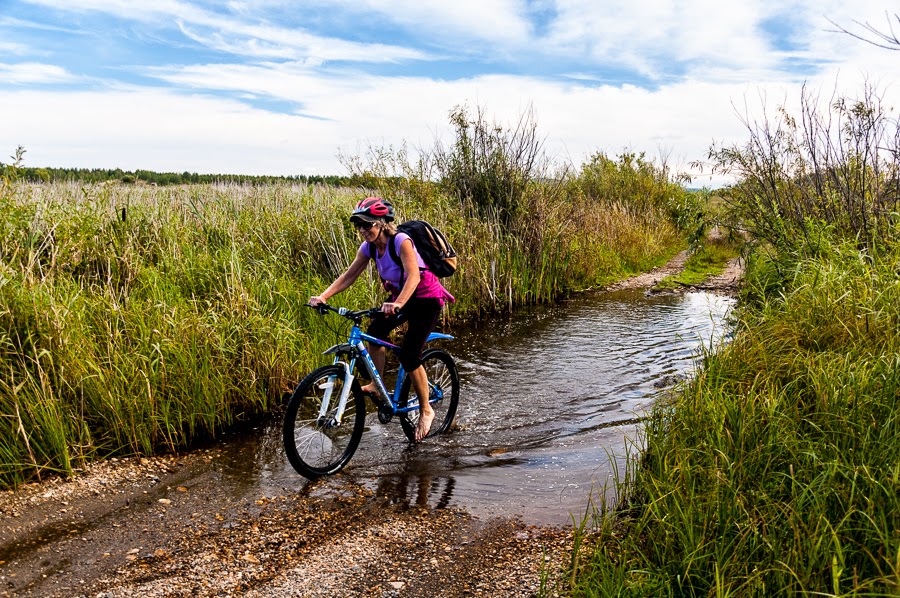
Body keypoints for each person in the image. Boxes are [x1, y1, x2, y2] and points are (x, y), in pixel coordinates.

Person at [309, 197, 455, 441]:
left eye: (368, 224)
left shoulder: (401, 242)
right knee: (374, 333)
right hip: (400, 298)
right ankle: (377, 384)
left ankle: (426, 409)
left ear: (382, 223)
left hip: (426, 299)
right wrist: (323, 296)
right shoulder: (368, 248)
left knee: (410, 355)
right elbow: (349, 275)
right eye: (359, 225)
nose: (363, 230)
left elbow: (413, 277)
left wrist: (398, 303)